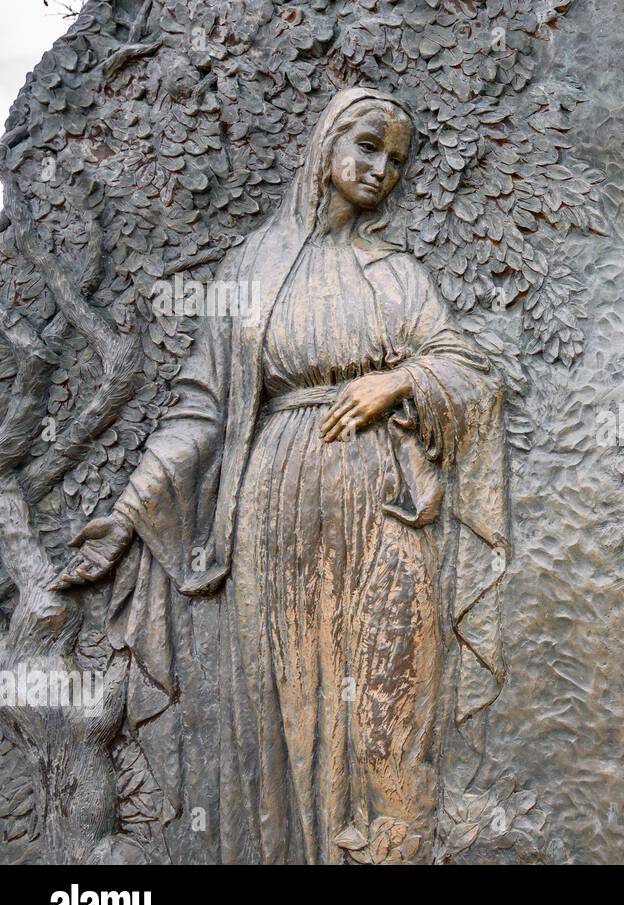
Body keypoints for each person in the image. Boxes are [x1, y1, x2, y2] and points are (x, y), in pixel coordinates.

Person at [56, 87, 509, 864]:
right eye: (367, 146)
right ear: (326, 143)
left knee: (388, 699)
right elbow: (202, 411)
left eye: (397, 161)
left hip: (383, 509)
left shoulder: (395, 274)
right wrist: (128, 514)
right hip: (273, 513)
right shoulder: (253, 269)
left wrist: (399, 381)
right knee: (279, 705)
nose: (381, 171)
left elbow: (470, 370)